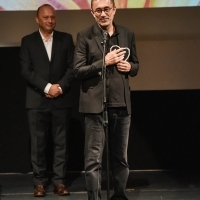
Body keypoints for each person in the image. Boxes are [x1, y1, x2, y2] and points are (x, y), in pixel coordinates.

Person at [73, 0, 139, 199]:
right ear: (92, 13)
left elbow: (135, 64)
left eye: (106, 9)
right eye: (98, 10)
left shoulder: (127, 34)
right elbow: (77, 71)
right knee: (93, 160)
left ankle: (119, 195)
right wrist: (104, 62)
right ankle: (94, 198)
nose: (103, 14)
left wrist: (131, 68)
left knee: (121, 158)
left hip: (121, 104)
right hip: (95, 107)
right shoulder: (84, 36)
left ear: (114, 10)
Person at [19, 4, 74, 197]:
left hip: (61, 98)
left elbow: (72, 68)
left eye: (52, 17)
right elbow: (26, 71)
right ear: (37, 19)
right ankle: (40, 183)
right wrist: (46, 87)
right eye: (45, 17)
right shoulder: (28, 41)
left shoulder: (66, 39)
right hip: (36, 100)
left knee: (61, 143)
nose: (50, 20)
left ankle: (59, 181)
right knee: (38, 144)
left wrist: (59, 87)